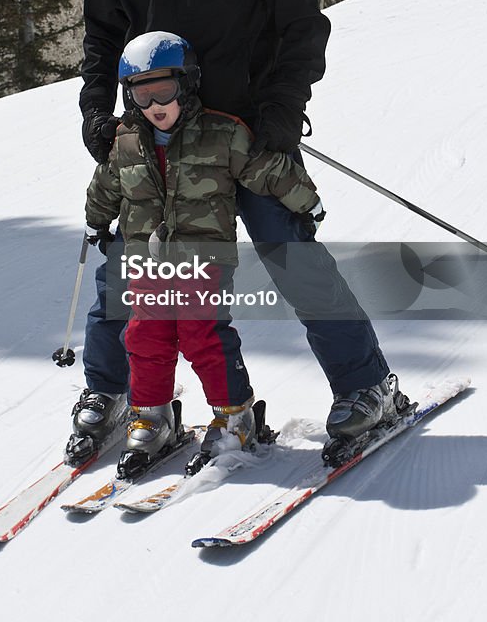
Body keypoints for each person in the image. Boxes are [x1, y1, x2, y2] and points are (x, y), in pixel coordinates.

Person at [67, 0, 395, 465]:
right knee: (128, 270)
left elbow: (300, 24)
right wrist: (98, 112)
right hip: (156, 140)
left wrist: (278, 107)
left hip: (244, 132)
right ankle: (114, 391)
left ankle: (368, 387)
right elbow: (101, 39)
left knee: (290, 253)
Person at [83, 31, 324, 477]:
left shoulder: (221, 134)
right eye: (142, 92)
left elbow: (265, 169)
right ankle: (151, 415)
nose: (155, 103)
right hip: (146, 262)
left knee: (202, 336)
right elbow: (105, 188)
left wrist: (305, 200)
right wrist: (96, 220)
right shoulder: (125, 143)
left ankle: (235, 416)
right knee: (144, 338)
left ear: (187, 83)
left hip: (202, 260)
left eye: (164, 90)